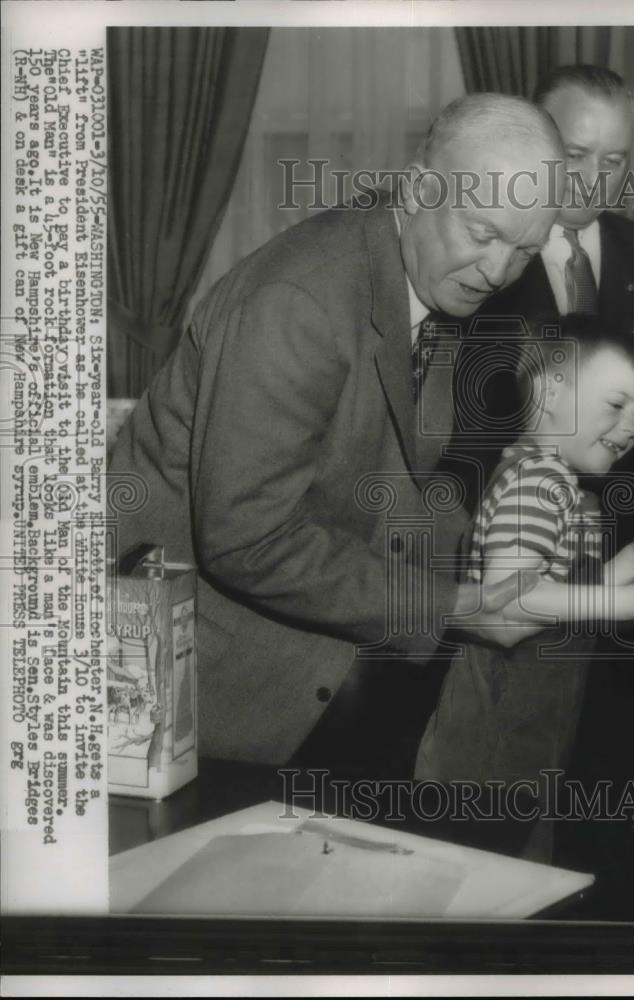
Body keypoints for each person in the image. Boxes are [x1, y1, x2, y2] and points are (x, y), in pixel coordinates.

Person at [108, 93, 564, 781]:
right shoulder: (299, 302)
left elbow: (393, 478)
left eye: (524, 251)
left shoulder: (429, 277)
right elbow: (246, 538)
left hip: (302, 671)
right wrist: (452, 606)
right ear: (416, 190)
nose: (499, 272)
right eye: (482, 232)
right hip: (192, 694)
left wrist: (497, 562)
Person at [415, 317, 634, 862]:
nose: (632, 426)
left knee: (515, 873)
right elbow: (512, 596)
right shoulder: (537, 485)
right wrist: (626, 602)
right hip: (488, 748)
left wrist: (631, 560)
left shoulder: (554, 482)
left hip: (526, 737)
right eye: (616, 404)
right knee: (482, 883)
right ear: (547, 393)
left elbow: (561, 594)